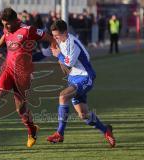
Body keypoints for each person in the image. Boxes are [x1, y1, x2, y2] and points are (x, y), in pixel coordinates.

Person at [0, 8, 56, 148]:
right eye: (3, 24)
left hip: (23, 75)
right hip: (7, 70)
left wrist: (59, 55)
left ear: (15, 21)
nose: (5, 27)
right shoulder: (7, 28)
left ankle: (32, 130)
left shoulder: (28, 30)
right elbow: (5, 35)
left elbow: (49, 38)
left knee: (21, 109)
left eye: (7, 24)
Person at [47, 20, 116, 148]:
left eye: (57, 35)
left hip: (85, 77)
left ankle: (59, 133)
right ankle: (106, 130)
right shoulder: (60, 41)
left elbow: (68, 63)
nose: (55, 38)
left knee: (62, 96)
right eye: (54, 35)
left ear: (65, 33)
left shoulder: (71, 43)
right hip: (74, 78)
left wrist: (59, 55)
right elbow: (54, 56)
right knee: (84, 115)